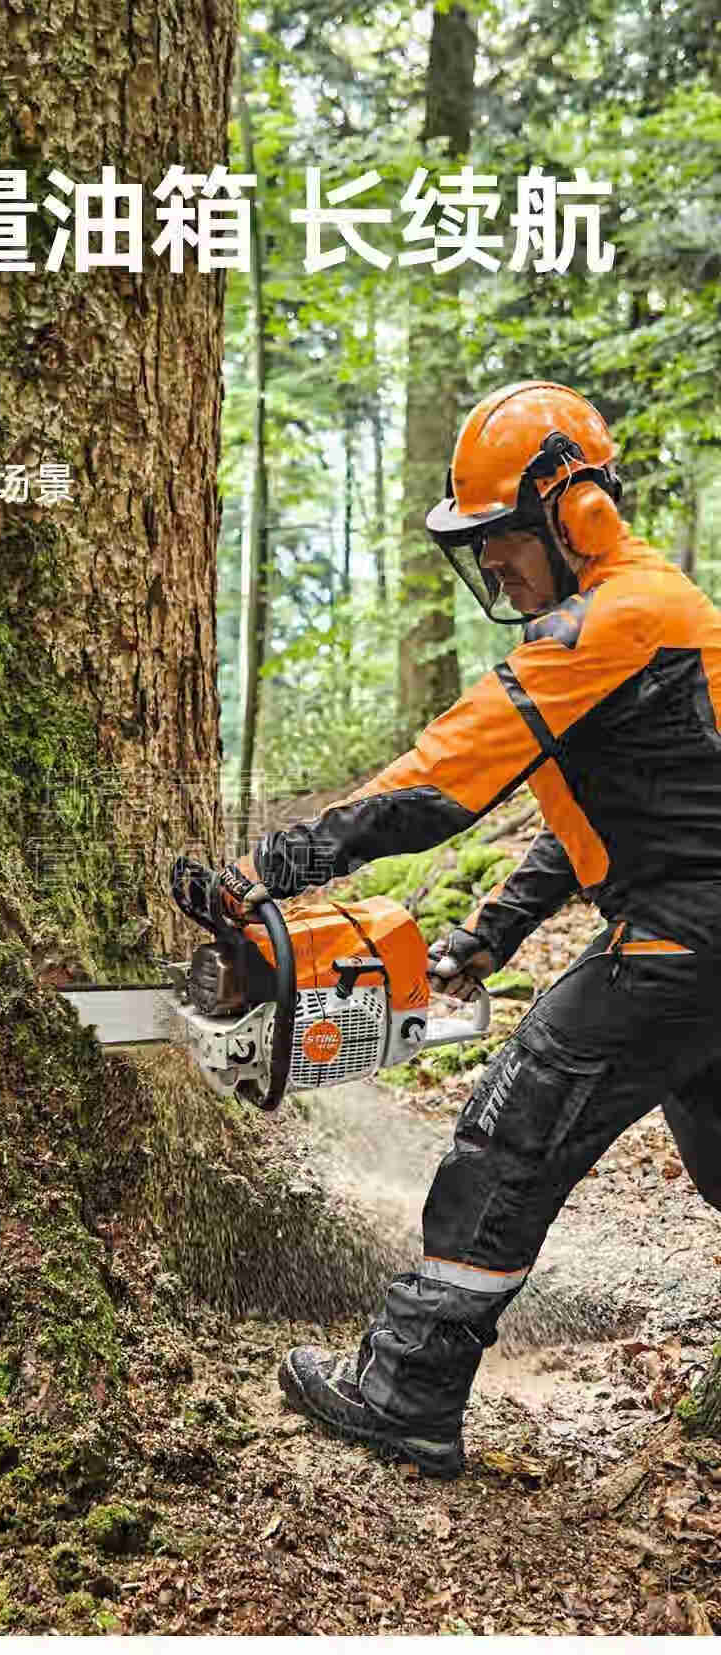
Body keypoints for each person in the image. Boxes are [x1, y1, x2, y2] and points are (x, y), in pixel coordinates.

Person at [223, 379, 721, 1480]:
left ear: (575, 511)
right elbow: (606, 819)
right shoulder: (646, 617)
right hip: (693, 927)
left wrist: (281, 862)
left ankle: (405, 1388)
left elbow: (449, 774)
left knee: (513, 1130)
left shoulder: (619, 618)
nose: (490, 562)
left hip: (685, 937)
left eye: (500, 536)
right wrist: (492, 934)